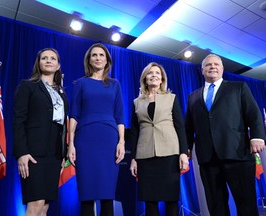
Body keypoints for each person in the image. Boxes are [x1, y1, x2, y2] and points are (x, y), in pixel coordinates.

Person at [185, 54, 266, 216]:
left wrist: (257, 137)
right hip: (208, 159)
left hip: (237, 154)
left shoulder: (239, 87)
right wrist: (186, 147)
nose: (212, 67)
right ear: (202, 70)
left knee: (246, 203)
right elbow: (189, 125)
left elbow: (254, 114)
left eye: (216, 64)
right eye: (208, 65)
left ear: (222, 68)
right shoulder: (193, 96)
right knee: (216, 205)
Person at [67, 43, 125, 216]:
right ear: (89, 60)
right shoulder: (80, 83)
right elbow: (74, 115)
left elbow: (120, 116)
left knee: (107, 194)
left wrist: (121, 142)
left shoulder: (115, 85)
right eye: (94, 55)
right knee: (87, 193)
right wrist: (71, 144)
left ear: (107, 60)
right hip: (85, 139)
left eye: (101, 55)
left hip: (109, 139)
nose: (98, 58)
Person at [13, 48, 68, 216]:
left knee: (45, 206)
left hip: (55, 155)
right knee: (35, 203)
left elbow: (63, 126)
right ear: (39, 62)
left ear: (58, 65)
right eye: (44, 58)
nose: (49, 60)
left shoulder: (62, 93)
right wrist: (22, 152)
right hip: (33, 153)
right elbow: (18, 120)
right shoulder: (28, 86)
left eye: (53, 58)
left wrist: (63, 155)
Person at [130, 62, 189, 216]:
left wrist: (183, 152)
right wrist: (134, 158)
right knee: (150, 200)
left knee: (171, 199)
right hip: (145, 156)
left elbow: (180, 126)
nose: (154, 75)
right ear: (145, 78)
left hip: (169, 153)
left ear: (162, 78)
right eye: (150, 73)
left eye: (157, 73)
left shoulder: (171, 98)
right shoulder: (137, 102)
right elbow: (135, 131)